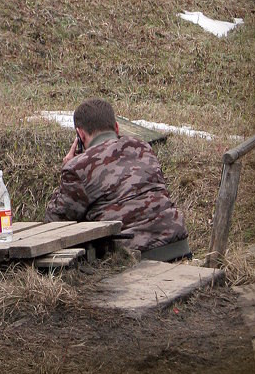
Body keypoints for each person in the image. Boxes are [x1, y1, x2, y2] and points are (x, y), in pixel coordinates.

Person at [44, 98, 190, 262]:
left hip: (131, 255)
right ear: (117, 127)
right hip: (178, 244)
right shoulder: (143, 147)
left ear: (80, 134)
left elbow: (54, 222)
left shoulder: (78, 167)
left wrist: (67, 167)